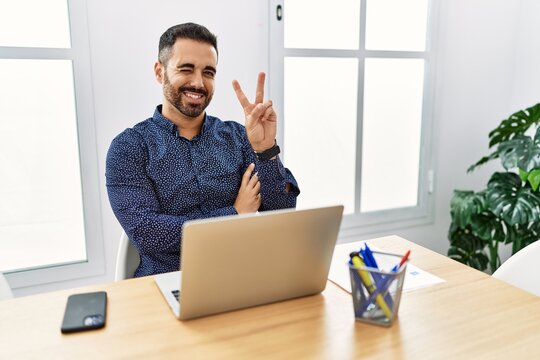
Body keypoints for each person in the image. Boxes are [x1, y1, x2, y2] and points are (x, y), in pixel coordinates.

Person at [106, 23, 300, 277]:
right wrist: (234, 214)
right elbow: (148, 232)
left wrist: (265, 149)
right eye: (186, 69)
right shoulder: (129, 148)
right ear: (159, 72)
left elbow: (280, 211)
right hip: (167, 281)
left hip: (239, 275)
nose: (199, 83)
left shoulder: (238, 137)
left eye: (208, 72)